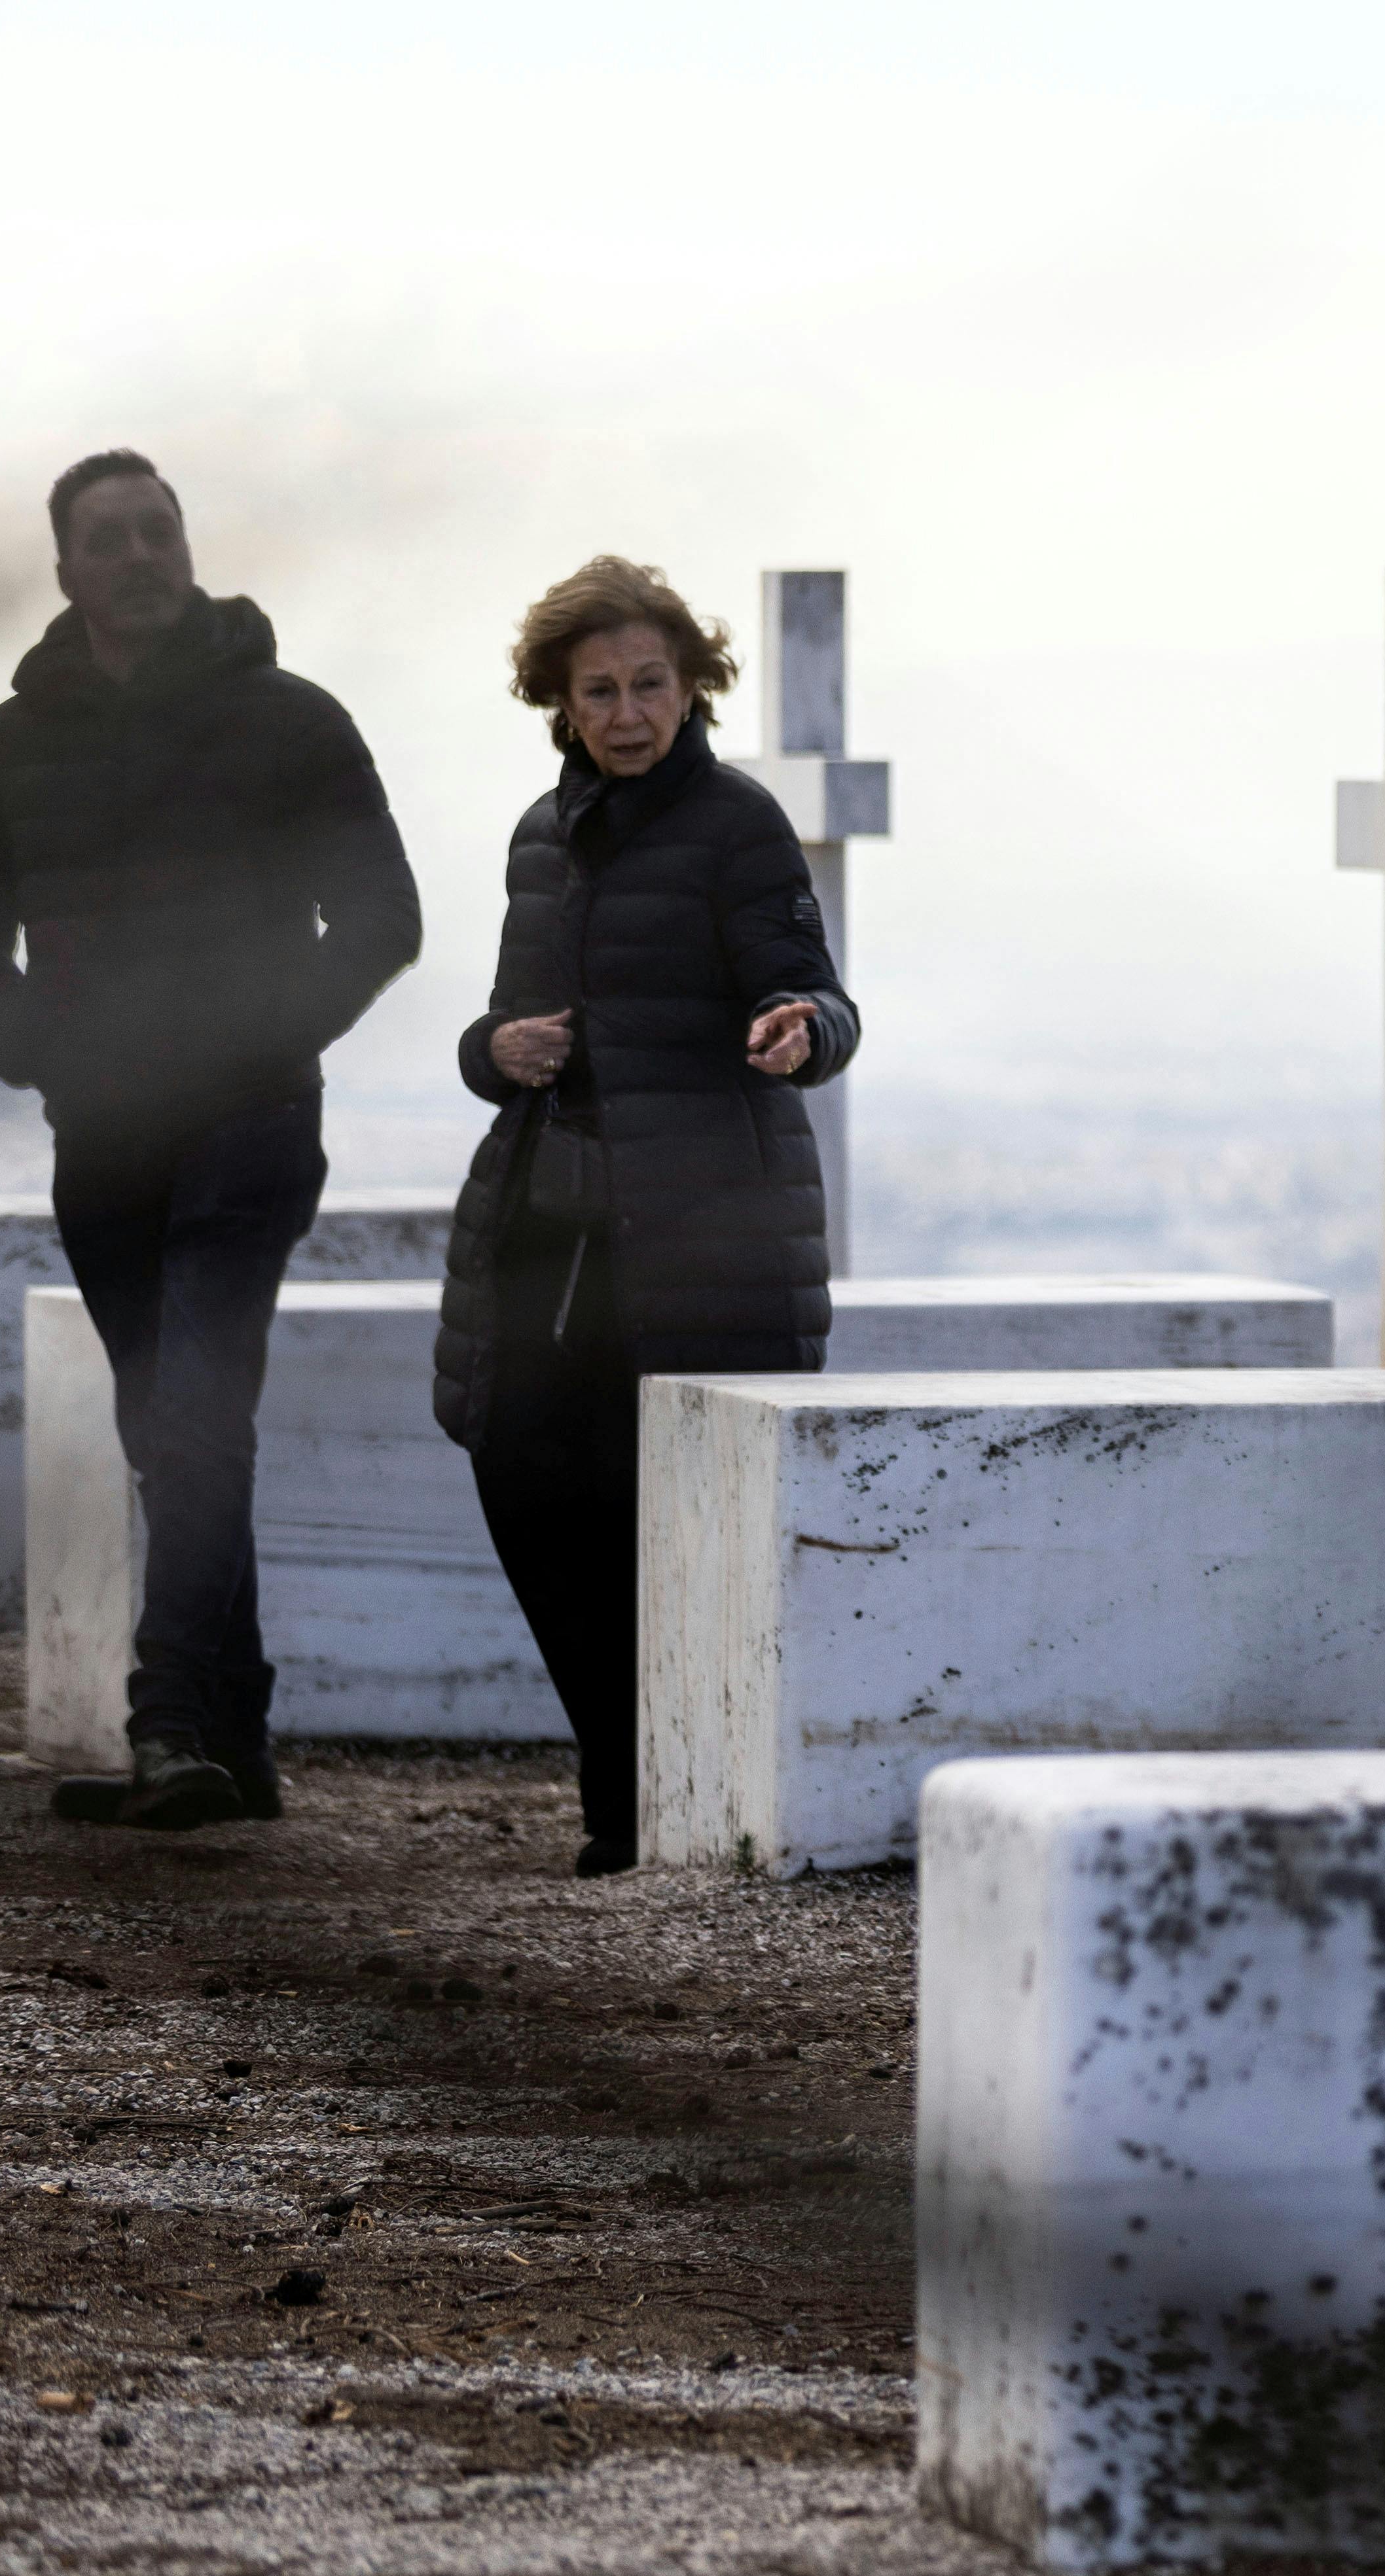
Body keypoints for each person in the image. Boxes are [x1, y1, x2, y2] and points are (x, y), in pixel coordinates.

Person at [0, 451, 422, 1831]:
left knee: (196, 1417)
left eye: (159, 531)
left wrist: (268, 1037)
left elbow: (384, 914)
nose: (140, 554)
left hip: (252, 1123)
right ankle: (237, 1734)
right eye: (110, 538)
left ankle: (168, 1727)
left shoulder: (292, 720)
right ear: (68, 570)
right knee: (175, 1432)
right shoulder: (15, 742)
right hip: (103, 1138)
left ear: (186, 548)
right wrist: (38, 1050)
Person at [431, 559, 859, 1878]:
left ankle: (642, 1810)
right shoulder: (539, 837)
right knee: (516, 1476)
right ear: (560, 703)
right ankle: (621, 1778)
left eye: (649, 686)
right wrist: (493, 1049)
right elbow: (503, 1032)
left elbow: (817, 996)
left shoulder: (738, 825)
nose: (626, 713)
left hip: (702, 1231)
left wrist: (802, 1032)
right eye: (599, 690)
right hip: (548, 1225)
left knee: (656, 1514)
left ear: (691, 686)